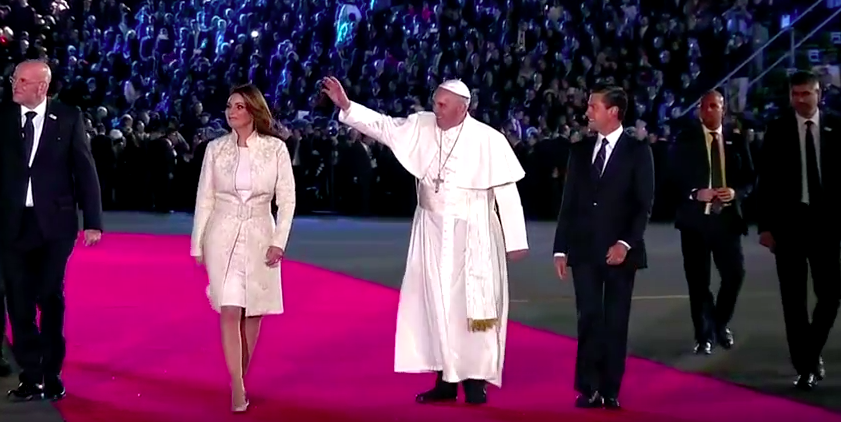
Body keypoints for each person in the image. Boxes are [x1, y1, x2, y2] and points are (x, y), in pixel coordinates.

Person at [322, 77, 528, 405]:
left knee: (470, 308)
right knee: (435, 303)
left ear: (463, 108)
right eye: (435, 102)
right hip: (430, 229)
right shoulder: (421, 126)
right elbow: (384, 127)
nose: (436, 109)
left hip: (472, 232)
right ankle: (445, 379)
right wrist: (347, 106)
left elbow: (507, 192)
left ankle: (475, 380)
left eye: (443, 105)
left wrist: (516, 240)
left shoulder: (489, 139)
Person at [0, 60, 102, 402]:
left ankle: (51, 372)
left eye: (22, 81)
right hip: (12, 224)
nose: (14, 85)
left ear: (41, 87)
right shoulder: (3, 117)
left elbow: (84, 169)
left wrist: (93, 220)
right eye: (15, 79)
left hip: (55, 225)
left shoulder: (68, 117)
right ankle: (31, 375)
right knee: (19, 302)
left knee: (49, 295)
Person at [190, 84, 296, 412]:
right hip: (221, 235)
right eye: (229, 106)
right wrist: (197, 243)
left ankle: (241, 375)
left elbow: (287, 200)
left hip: (261, 235)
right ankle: (237, 386)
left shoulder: (276, 149)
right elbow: (204, 198)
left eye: (238, 106)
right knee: (230, 308)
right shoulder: (215, 149)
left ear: (253, 110)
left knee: (253, 311)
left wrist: (279, 241)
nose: (231, 112)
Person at [552, 85, 655, 410]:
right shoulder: (580, 150)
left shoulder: (638, 151)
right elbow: (568, 203)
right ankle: (589, 388)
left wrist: (625, 243)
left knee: (615, 321)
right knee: (588, 318)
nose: (587, 112)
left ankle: (611, 389)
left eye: (593, 106)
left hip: (621, 253)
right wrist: (560, 248)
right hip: (584, 250)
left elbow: (644, 205)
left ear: (613, 112)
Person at [755, 70, 841, 390]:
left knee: (830, 296)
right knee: (793, 301)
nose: (801, 99)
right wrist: (765, 226)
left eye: (807, 93)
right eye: (796, 94)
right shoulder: (777, 129)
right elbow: (765, 182)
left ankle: (809, 353)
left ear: (820, 94)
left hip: (826, 225)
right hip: (788, 226)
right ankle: (805, 367)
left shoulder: (837, 127)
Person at [671, 90, 755, 355]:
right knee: (698, 283)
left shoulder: (736, 139)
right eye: (704, 106)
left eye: (714, 106)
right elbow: (672, 178)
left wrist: (735, 192)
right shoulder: (686, 139)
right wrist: (695, 193)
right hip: (694, 223)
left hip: (727, 221)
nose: (708, 111)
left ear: (723, 109)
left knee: (735, 275)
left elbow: (750, 177)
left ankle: (719, 323)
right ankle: (703, 335)